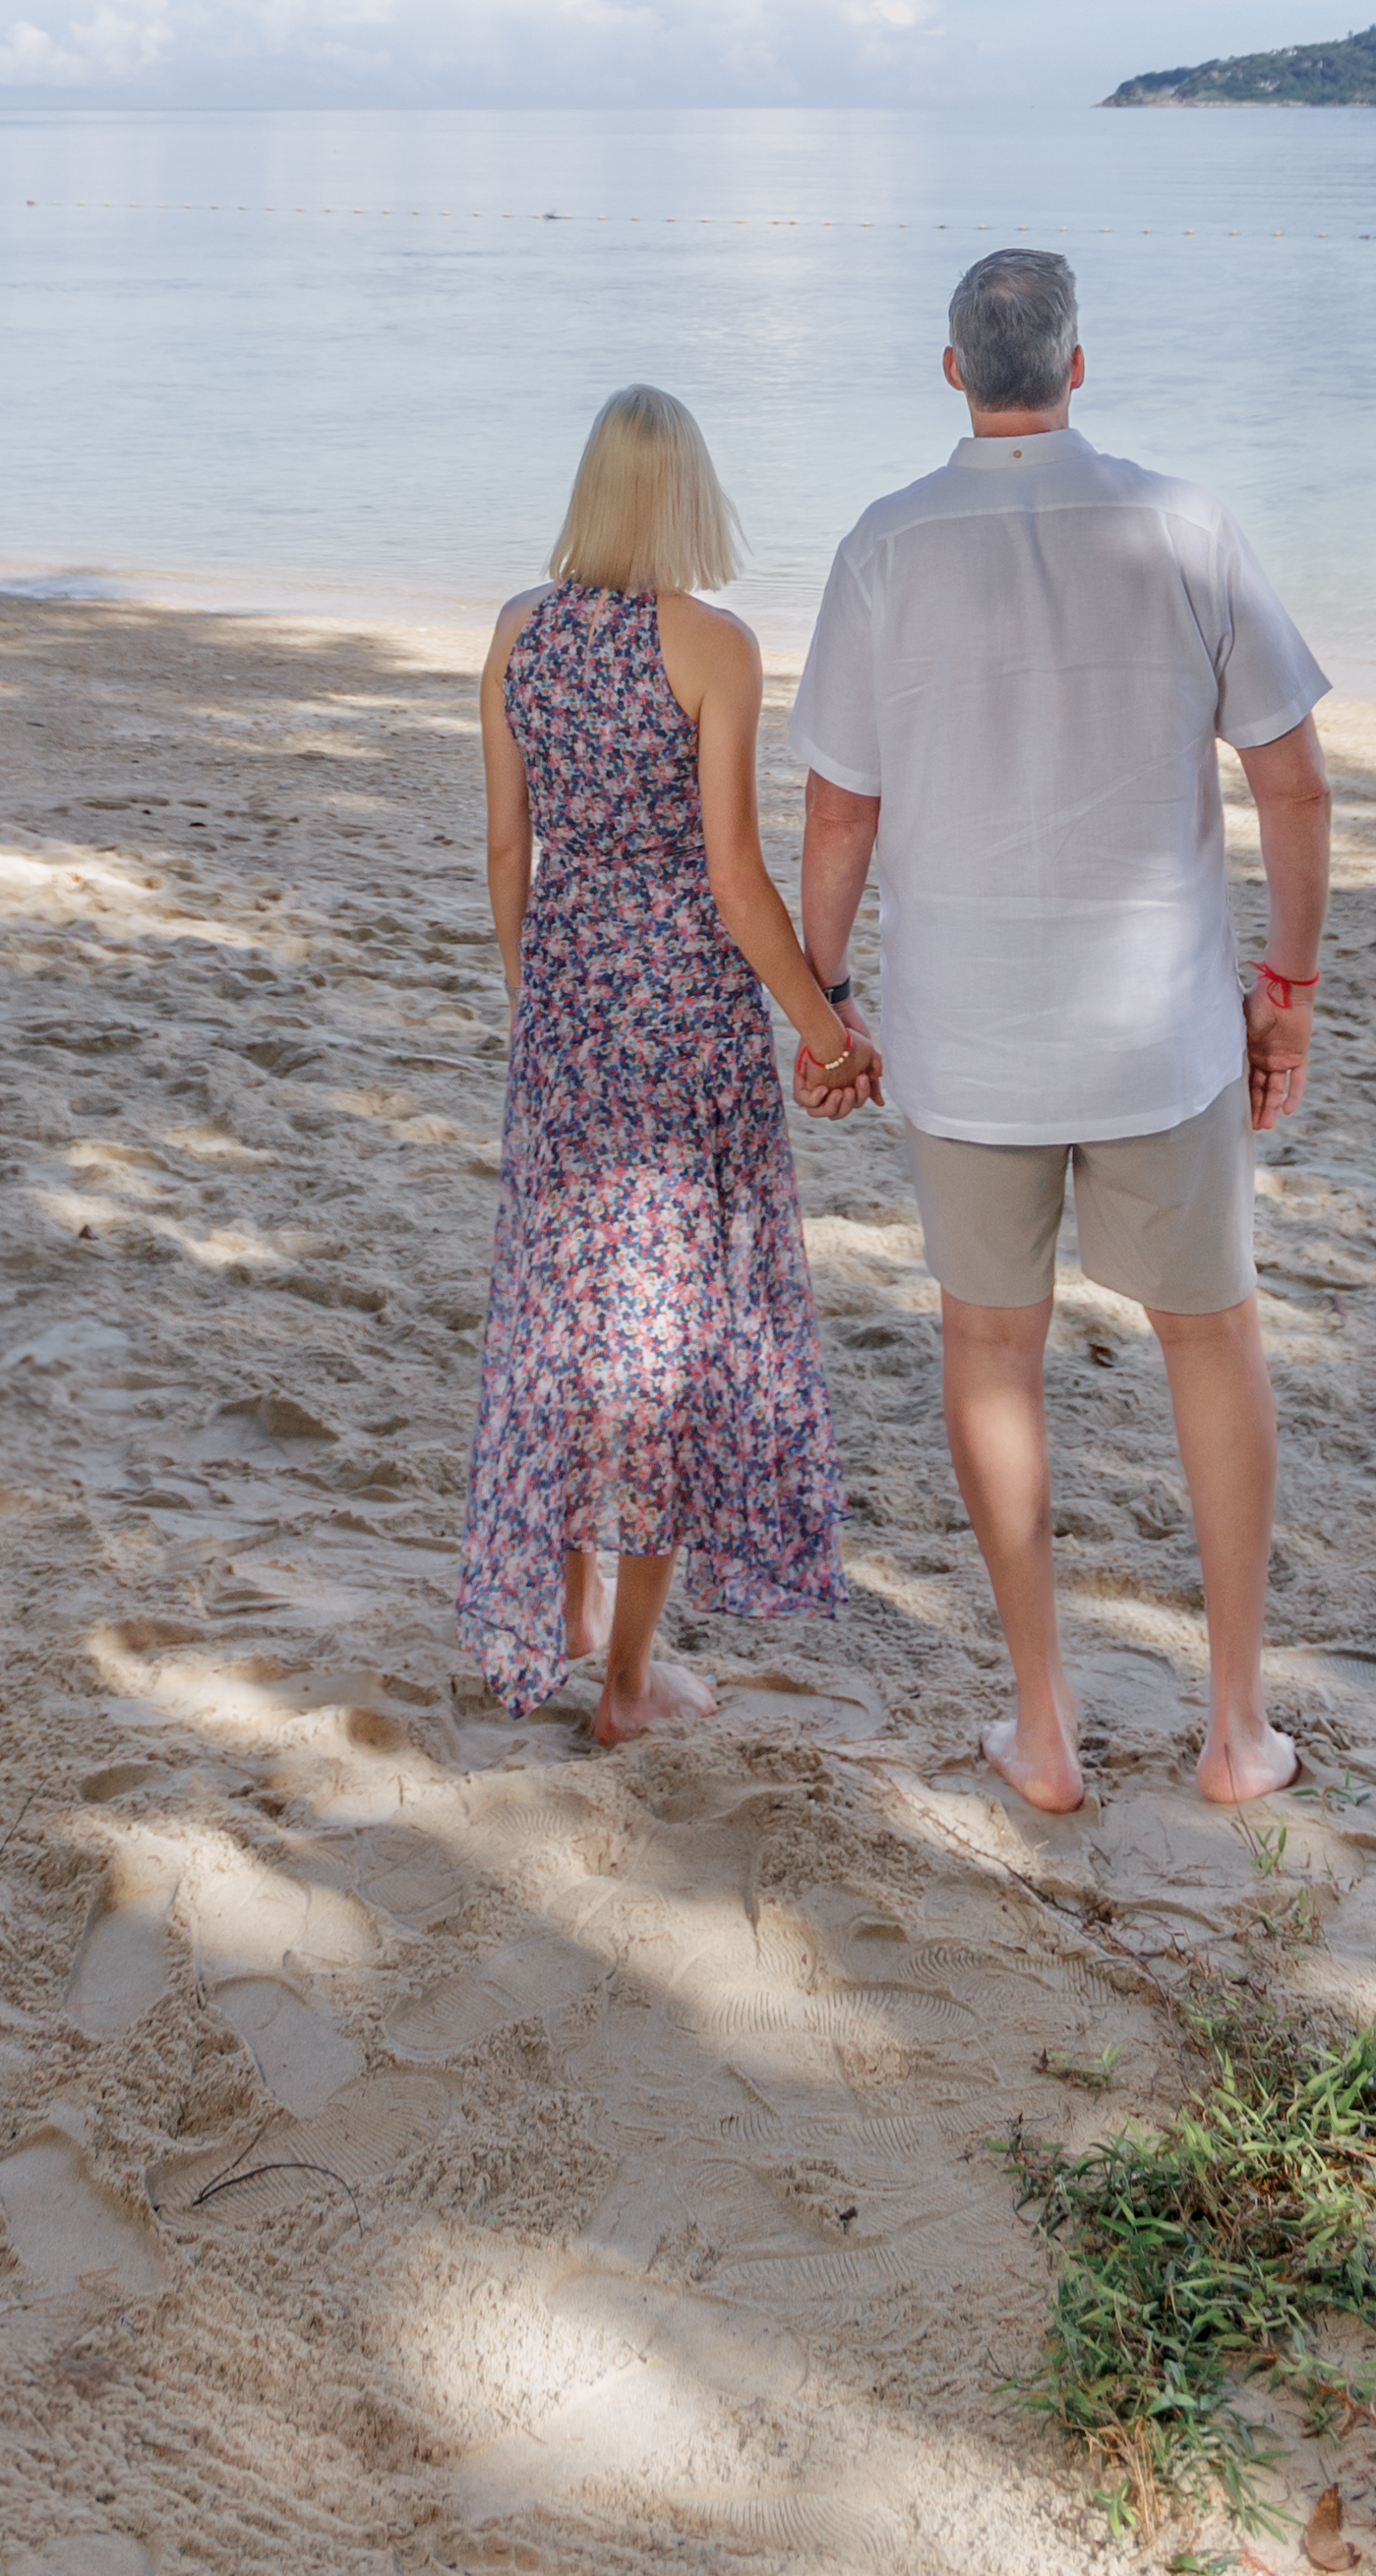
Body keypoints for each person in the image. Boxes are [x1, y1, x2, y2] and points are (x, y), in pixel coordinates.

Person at [790, 246, 1331, 1819]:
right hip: (1161, 1027)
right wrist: (1286, 990)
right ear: (1079, 367)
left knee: (990, 1348)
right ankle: (1236, 1729)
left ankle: (1044, 1728)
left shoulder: (887, 545)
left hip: (966, 1032)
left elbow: (839, 806)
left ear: (951, 370)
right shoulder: (1183, 525)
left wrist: (824, 1000)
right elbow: (1291, 783)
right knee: (1212, 1336)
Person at [456, 381, 876, 1743]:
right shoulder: (714, 646)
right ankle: (629, 1684)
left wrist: (542, 996)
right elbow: (735, 880)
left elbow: (506, 851)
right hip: (687, 1031)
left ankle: (572, 1613)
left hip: (569, 1020)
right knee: (667, 1344)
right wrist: (826, 1027)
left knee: (569, 1324)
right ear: (689, 496)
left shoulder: (519, 635)